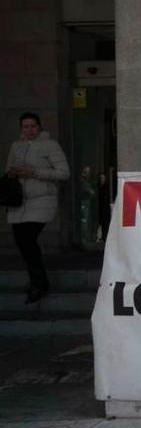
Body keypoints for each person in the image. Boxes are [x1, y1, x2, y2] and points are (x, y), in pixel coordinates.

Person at [5, 112, 70, 304]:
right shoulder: (16, 146)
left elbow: (63, 173)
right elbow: (8, 169)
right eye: (25, 126)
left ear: (39, 127)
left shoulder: (50, 145)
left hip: (42, 200)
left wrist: (33, 172)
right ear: (21, 128)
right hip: (19, 202)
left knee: (27, 238)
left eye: (33, 126)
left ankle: (38, 284)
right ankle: (39, 281)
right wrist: (13, 172)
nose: (29, 130)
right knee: (23, 242)